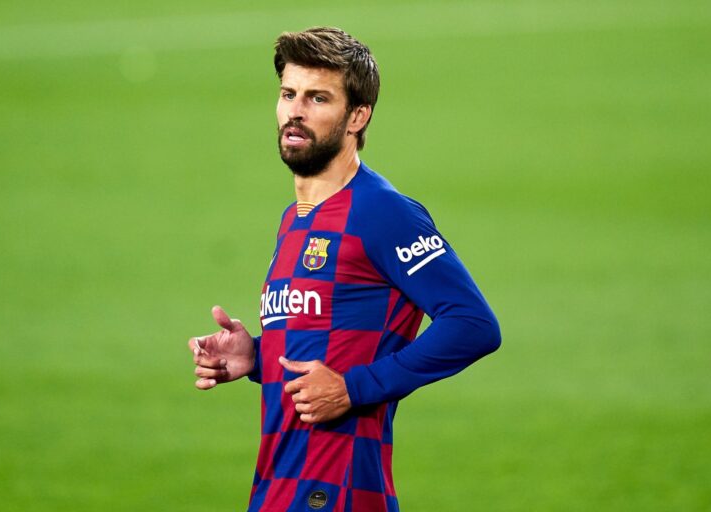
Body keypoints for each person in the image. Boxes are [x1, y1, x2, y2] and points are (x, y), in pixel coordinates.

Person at [188, 27, 501, 512]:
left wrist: (353, 389)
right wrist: (258, 356)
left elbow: (473, 324)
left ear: (357, 116)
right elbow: (329, 337)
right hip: (278, 488)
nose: (295, 111)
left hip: (336, 493)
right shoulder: (293, 221)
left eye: (318, 98)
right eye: (288, 94)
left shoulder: (382, 212)